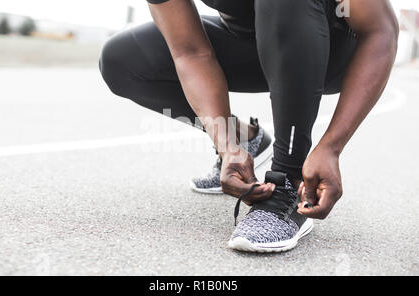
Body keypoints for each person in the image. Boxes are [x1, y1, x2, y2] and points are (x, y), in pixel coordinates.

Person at [99, 0, 398, 252]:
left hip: (329, 46)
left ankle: (288, 182)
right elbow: (190, 52)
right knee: (122, 60)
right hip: (252, 41)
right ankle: (246, 140)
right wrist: (226, 143)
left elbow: (380, 30)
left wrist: (332, 146)